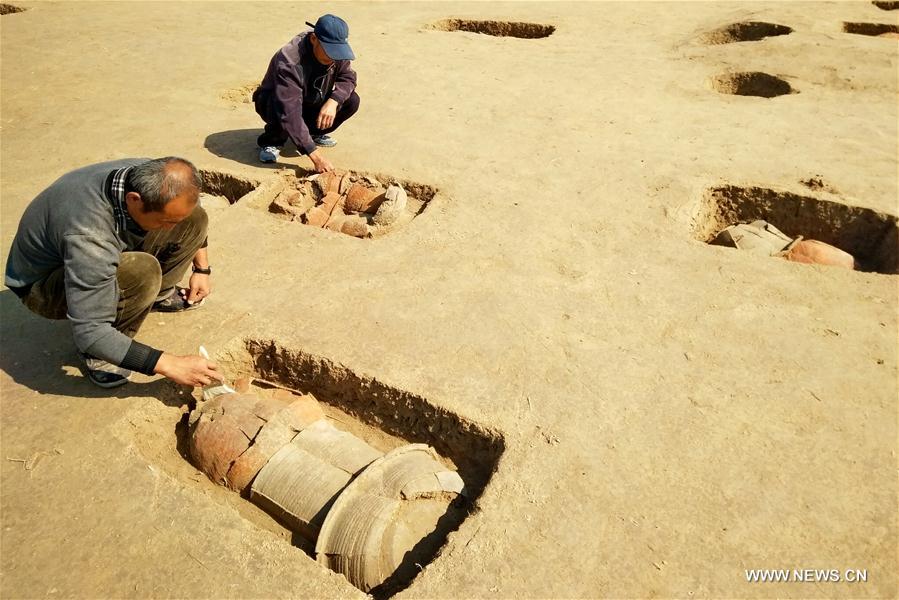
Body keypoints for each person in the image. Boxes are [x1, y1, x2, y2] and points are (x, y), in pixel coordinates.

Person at [4, 157, 224, 389]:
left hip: (82, 255)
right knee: (142, 272)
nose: (172, 227)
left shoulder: (148, 175)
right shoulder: (89, 236)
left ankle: (160, 293)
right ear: (134, 200)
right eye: (166, 221)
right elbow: (91, 332)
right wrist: (170, 364)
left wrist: (202, 269)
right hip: (42, 286)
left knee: (195, 218)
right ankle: (100, 356)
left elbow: (186, 213)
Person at [253, 14, 360, 173]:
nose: (332, 57)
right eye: (329, 51)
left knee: (352, 100)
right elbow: (290, 112)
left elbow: (348, 78)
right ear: (314, 39)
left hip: (310, 98)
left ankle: (312, 133)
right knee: (281, 106)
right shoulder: (290, 60)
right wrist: (316, 157)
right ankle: (273, 140)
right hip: (277, 103)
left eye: (336, 51)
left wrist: (333, 101)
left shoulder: (336, 51)